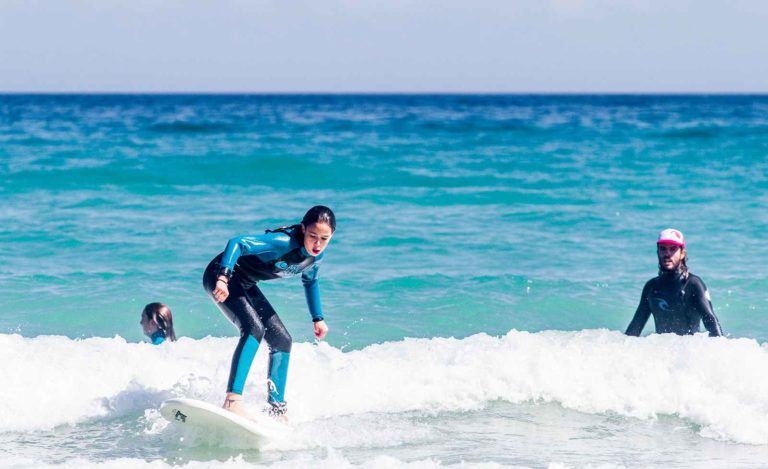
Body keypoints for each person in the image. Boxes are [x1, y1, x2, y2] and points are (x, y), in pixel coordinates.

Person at [202, 205, 335, 420]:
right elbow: (237, 242)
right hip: (220, 277)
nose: (317, 244)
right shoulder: (284, 243)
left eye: (324, 238)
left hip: (244, 282)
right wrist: (223, 278)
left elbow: (311, 282)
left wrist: (318, 318)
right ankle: (232, 401)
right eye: (313, 236)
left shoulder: (316, 258)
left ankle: (277, 409)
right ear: (303, 230)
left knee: (282, 340)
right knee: (254, 329)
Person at [625, 228, 722, 337]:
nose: (667, 254)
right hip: (663, 351)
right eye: (663, 249)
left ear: (682, 253)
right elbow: (634, 328)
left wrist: (721, 350)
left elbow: (711, 321)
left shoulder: (693, 284)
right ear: (658, 252)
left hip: (690, 351)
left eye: (673, 249)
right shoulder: (651, 287)